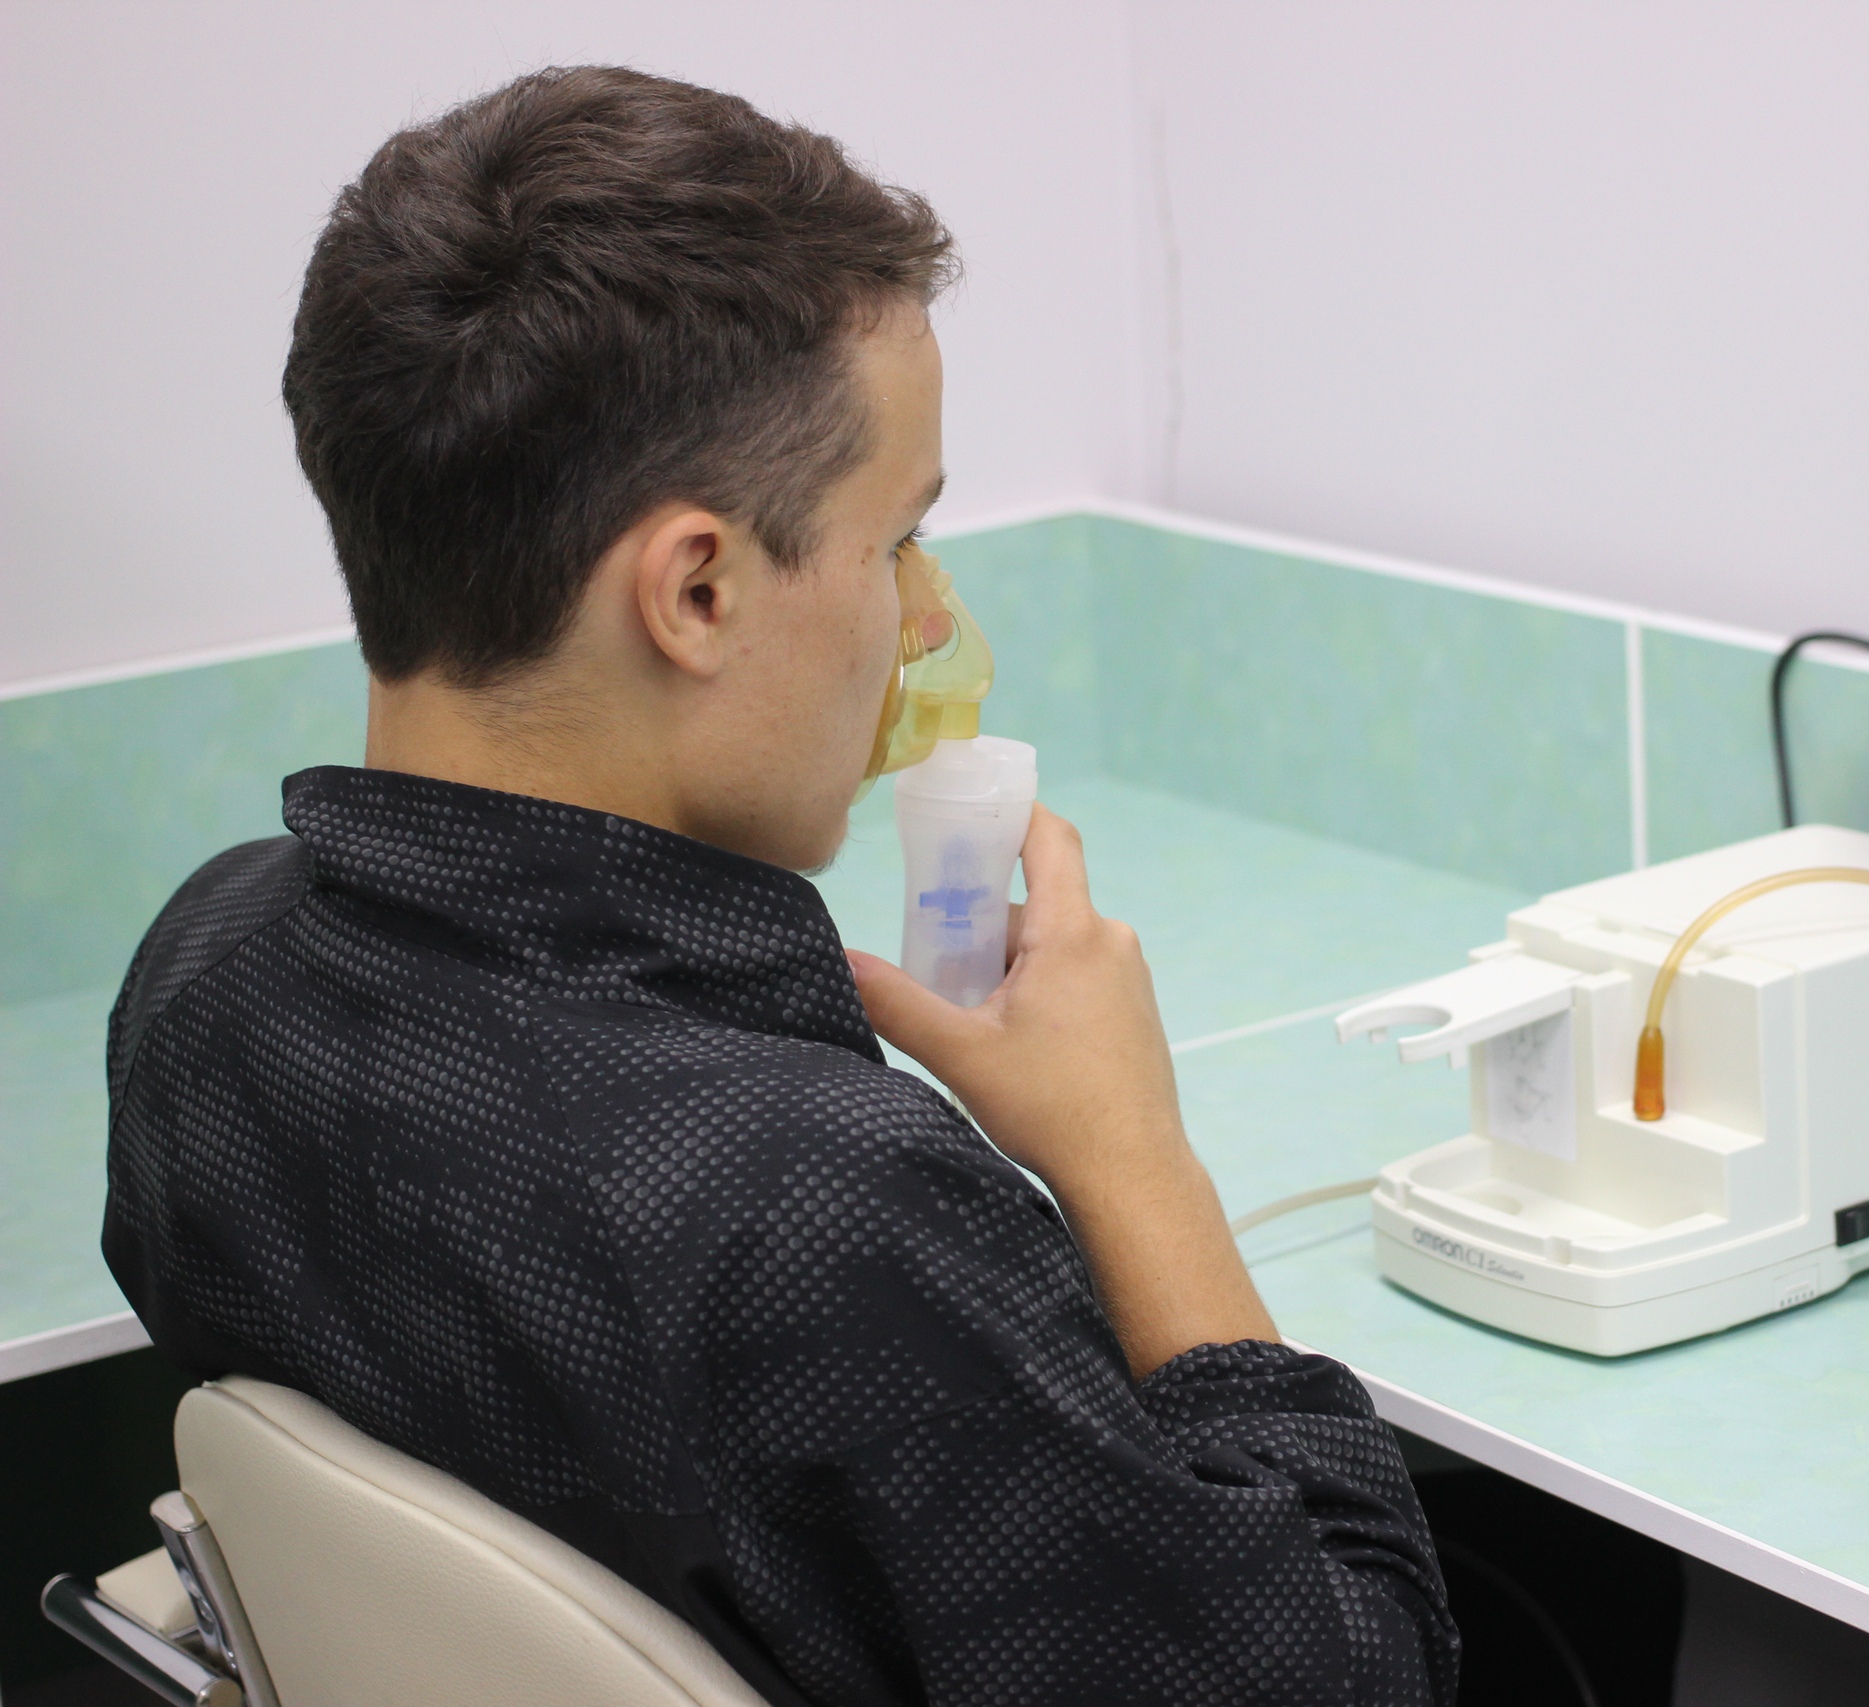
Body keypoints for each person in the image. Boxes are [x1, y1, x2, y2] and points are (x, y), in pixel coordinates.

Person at [101, 65, 1459, 1707]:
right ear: (696, 589)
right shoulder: (830, 1214)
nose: (929, 620)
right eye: (894, 542)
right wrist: (1131, 1157)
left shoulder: (202, 974)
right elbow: (1352, 1681)